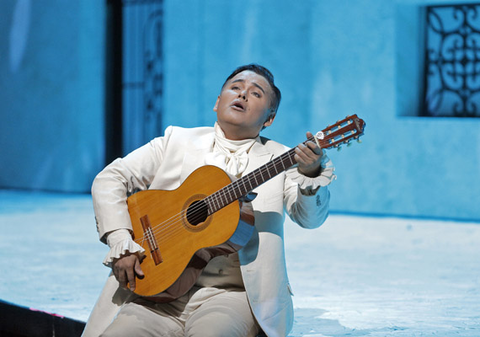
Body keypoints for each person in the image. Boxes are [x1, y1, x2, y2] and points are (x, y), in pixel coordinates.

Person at [81, 64, 336, 337]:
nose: (243, 95)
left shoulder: (282, 158)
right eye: (235, 88)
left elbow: (309, 218)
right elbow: (110, 179)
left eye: (256, 94)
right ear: (218, 102)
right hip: (154, 289)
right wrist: (122, 240)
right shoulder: (176, 140)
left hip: (233, 297)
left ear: (269, 118)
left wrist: (311, 175)